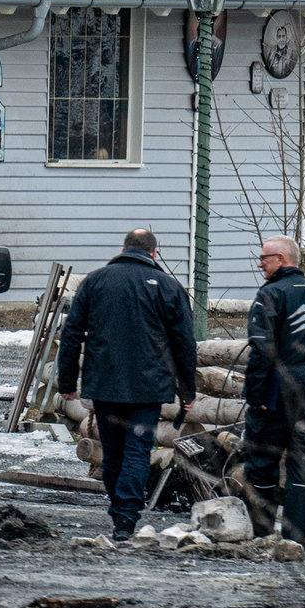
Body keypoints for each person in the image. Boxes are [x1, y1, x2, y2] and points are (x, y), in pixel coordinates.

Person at [57, 228, 197, 540]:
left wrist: (66, 381)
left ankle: (119, 509)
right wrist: (187, 389)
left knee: (113, 450)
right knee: (137, 449)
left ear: (123, 248)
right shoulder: (169, 286)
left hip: (105, 384)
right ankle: (126, 516)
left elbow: (71, 334)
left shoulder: (95, 282)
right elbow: (184, 343)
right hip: (148, 388)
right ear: (154, 253)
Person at [242, 235, 305, 545]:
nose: (260, 263)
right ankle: (296, 539)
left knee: (262, 459)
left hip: (276, 387)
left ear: (282, 260)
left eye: (265, 258)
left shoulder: (270, 294)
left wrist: (256, 394)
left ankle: (261, 532)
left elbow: (261, 349)